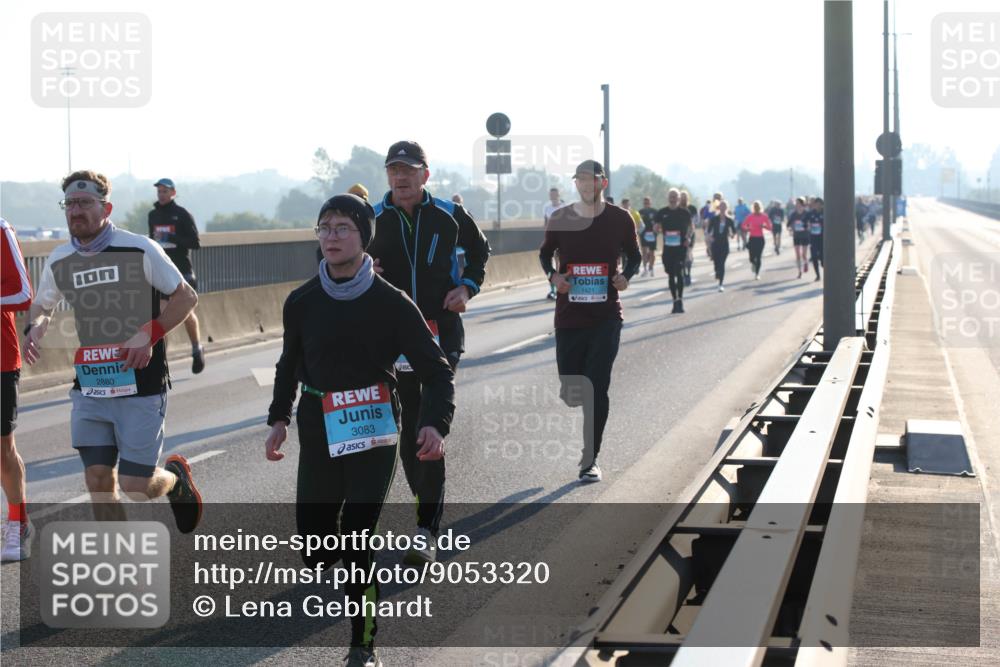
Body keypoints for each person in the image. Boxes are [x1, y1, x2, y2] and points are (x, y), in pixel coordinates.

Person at [266, 194, 455, 667]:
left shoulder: (393, 303)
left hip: (374, 428)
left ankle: (362, 645)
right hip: (318, 426)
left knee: (355, 536)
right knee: (315, 545)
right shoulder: (302, 301)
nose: (331, 236)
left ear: (363, 236)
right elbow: (289, 363)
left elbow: (437, 371)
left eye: (342, 227)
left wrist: (434, 423)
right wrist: (278, 418)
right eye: (324, 227)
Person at [24, 170, 203, 531]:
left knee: (136, 487)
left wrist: (149, 333)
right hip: (91, 384)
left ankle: (173, 478)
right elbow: (43, 306)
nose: (76, 211)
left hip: (141, 381)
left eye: (85, 203)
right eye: (70, 204)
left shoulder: (139, 248)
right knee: (99, 483)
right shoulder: (60, 260)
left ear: (106, 207)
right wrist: (36, 328)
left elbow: (186, 297)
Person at [369, 141, 489, 563]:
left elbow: (480, 251)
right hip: (392, 340)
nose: (400, 177)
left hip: (441, 335)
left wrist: (467, 287)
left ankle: (425, 531)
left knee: (428, 426)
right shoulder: (371, 219)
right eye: (393, 170)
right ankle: (428, 507)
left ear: (426, 174)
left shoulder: (450, 215)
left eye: (409, 169)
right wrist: (364, 268)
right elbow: (331, 255)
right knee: (407, 437)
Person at [539, 160, 640, 483]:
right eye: (579, 180)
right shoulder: (561, 218)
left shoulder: (620, 219)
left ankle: (590, 459)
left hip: (606, 315)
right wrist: (554, 276)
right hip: (569, 316)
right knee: (572, 388)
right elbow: (545, 254)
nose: (584, 185)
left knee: (597, 387)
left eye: (589, 179)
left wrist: (626, 276)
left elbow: (635, 256)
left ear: (602, 183)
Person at [148, 178, 205, 374]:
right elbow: (152, 243)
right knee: (164, 314)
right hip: (162, 273)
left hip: (183, 271)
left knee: (187, 314)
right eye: (159, 191)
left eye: (165, 191)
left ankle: (197, 349)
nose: (161, 194)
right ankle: (160, 360)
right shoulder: (153, 215)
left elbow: (195, 242)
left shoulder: (181, 215)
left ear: (173, 193)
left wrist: (172, 238)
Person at [1, 218, 33, 561]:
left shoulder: (1, 230)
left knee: (2, 451)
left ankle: (17, 523)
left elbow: (24, 293)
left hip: (0, 359)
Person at [655, 188, 693, 312]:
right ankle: (674, 300)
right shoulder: (661, 212)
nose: (672, 198)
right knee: (671, 274)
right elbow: (656, 226)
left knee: (679, 271)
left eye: (675, 196)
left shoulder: (684, 212)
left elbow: (691, 228)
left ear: (678, 198)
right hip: (668, 248)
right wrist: (656, 229)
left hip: (680, 247)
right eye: (670, 196)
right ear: (668, 198)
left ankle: (680, 300)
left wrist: (688, 237)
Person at [706, 200, 737, 292]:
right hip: (715, 243)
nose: (723, 208)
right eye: (721, 206)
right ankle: (717, 271)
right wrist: (710, 237)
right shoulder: (714, 219)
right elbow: (709, 230)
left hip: (724, 244)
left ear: (727, 208)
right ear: (719, 208)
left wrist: (732, 235)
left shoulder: (729, 219)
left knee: (722, 264)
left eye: (724, 206)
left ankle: (721, 284)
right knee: (716, 263)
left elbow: (734, 231)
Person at [741, 201, 773, 280]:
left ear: (760, 207)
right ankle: (753, 263)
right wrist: (748, 229)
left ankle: (757, 274)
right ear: (753, 208)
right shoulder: (750, 216)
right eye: (755, 206)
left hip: (760, 239)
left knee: (758, 257)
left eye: (758, 206)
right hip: (752, 238)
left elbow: (770, 227)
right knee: (751, 258)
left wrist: (764, 226)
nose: (756, 208)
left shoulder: (764, 216)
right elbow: (743, 225)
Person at [543, 188, 565, 300]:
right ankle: (553, 290)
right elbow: (546, 225)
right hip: (551, 240)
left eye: (555, 194)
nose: (553, 196)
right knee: (551, 266)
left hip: (563, 240)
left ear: (559, 195)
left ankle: (561, 288)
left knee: (560, 265)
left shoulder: (564, 207)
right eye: (551, 194)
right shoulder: (547, 209)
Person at [787, 197, 810, 279]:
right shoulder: (794, 214)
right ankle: (799, 271)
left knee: (803, 255)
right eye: (796, 204)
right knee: (797, 255)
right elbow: (788, 224)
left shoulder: (806, 213)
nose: (796, 205)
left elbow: (810, 223)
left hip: (805, 235)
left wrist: (808, 226)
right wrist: (790, 228)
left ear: (802, 204)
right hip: (796, 235)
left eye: (798, 203)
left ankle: (806, 262)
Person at [680, 190, 698, 286]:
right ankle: (684, 274)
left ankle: (688, 273)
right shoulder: (677, 209)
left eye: (684, 197)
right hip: (680, 235)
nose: (683, 199)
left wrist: (690, 227)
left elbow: (696, 220)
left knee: (688, 254)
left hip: (690, 233)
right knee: (681, 256)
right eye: (681, 197)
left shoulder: (692, 208)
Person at [637, 196, 658, 277]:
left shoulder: (655, 211)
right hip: (643, 234)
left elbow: (658, 223)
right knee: (644, 252)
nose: (646, 204)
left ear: (650, 203)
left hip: (652, 234)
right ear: (643, 203)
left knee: (652, 252)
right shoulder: (640, 212)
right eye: (645, 202)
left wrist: (657, 231)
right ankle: (645, 269)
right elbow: (638, 223)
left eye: (648, 202)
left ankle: (651, 268)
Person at [806, 197, 825, 281]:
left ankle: (825, 269)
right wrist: (807, 225)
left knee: (822, 259)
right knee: (814, 257)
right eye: (815, 204)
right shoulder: (811, 213)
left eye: (818, 204)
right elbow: (804, 221)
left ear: (821, 205)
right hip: (813, 238)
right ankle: (817, 275)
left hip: (823, 239)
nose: (817, 206)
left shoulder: (825, 212)